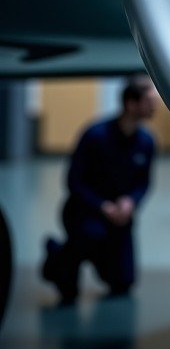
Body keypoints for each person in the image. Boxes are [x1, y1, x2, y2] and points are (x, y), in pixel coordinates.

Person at [41, 76, 158, 304]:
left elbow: (143, 183)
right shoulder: (95, 136)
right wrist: (103, 206)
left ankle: (98, 259)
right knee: (89, 245)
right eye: (149, 101)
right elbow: (74, 181)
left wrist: (131, 202)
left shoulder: (146, 142)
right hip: (84, 212)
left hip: (120, 218)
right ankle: (59, 258)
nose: (154, 105)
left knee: (123, 283)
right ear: (131, 104)